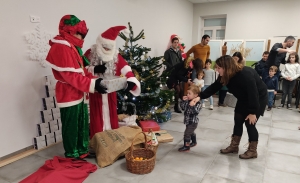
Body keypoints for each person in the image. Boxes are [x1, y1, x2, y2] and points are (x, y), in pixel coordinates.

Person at [46, 15, 106, 159]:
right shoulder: (61, 47)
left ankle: (82, 150)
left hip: (80, 92)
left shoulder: (74, 48)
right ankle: (72, 153)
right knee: (71, 125)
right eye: (79, 33)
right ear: (69, 31)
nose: (81, 37)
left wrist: (96, 78)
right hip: (68, 93)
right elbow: (70, 76)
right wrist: (92, 84)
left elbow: (82, 71)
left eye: (82, 34)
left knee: (82, 123)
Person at [191, 55, 268, 159]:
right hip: (243, 98)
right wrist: (199, 96)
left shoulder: (245, 74)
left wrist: (253, 112)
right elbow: (214, 87)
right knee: (238, 120)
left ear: (226, 67)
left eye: (218, 67)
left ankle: (252, 151)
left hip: (258, 98)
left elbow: (253, 93)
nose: (216, 70)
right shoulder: (225, 76)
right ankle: (234, 146)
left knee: (250, 123)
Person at [84, 26, 141, 138]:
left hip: (110, 93)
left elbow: (125, 68)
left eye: (109, 49)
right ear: (100, 44)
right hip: (96, 90)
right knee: (97, 115)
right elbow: (80, 69)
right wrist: (94, 69)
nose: (107, 51)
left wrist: (131, 81)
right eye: (105, 47)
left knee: (111, 114)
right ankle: (98, 140)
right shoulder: (89, 53)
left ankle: (112, 140)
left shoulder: (115, 55)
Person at [178, 85, 202, 152]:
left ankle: (186, 146)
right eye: (187, 93)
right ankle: (194, 142)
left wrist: (192, 105)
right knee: (191, 132)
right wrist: (183, 101)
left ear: (195, 95)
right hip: (188, 121)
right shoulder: (187, 101)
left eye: (189, 93)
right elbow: (183, 108)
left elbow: (196, 112)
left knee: (187, 134)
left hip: (193, 122)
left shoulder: (198, 103)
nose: (187, 95)